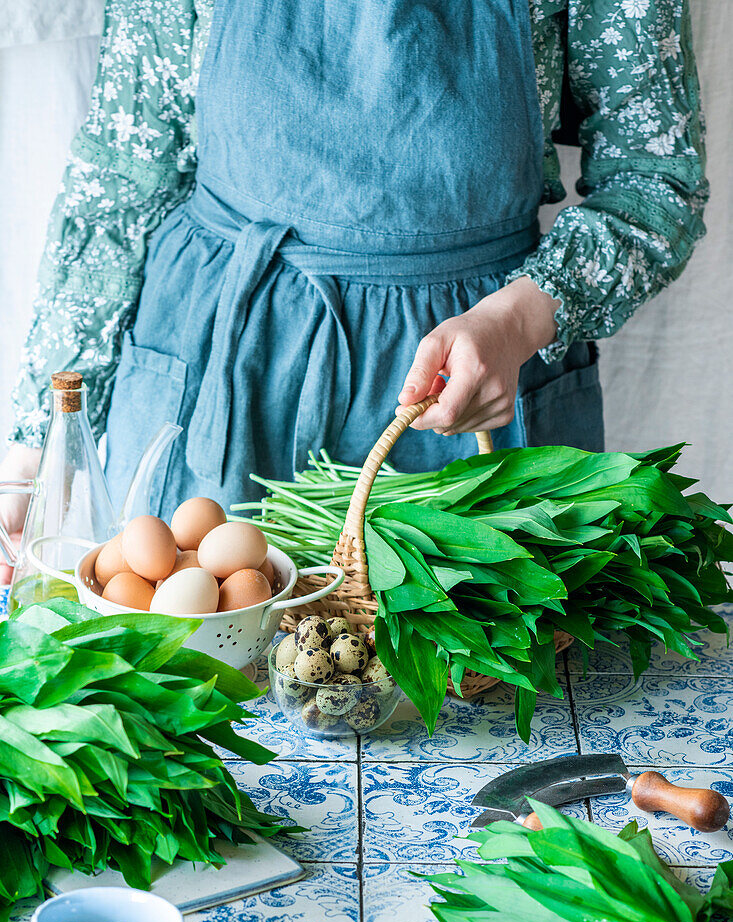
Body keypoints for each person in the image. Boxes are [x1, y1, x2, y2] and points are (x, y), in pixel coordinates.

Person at [1, 0, 707, 549]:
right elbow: (121, 180)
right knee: (206, 696)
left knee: (469, 711)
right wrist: (37, 445)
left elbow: (654, 178)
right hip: (217, 362)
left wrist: (520, 318)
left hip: (465, 382)